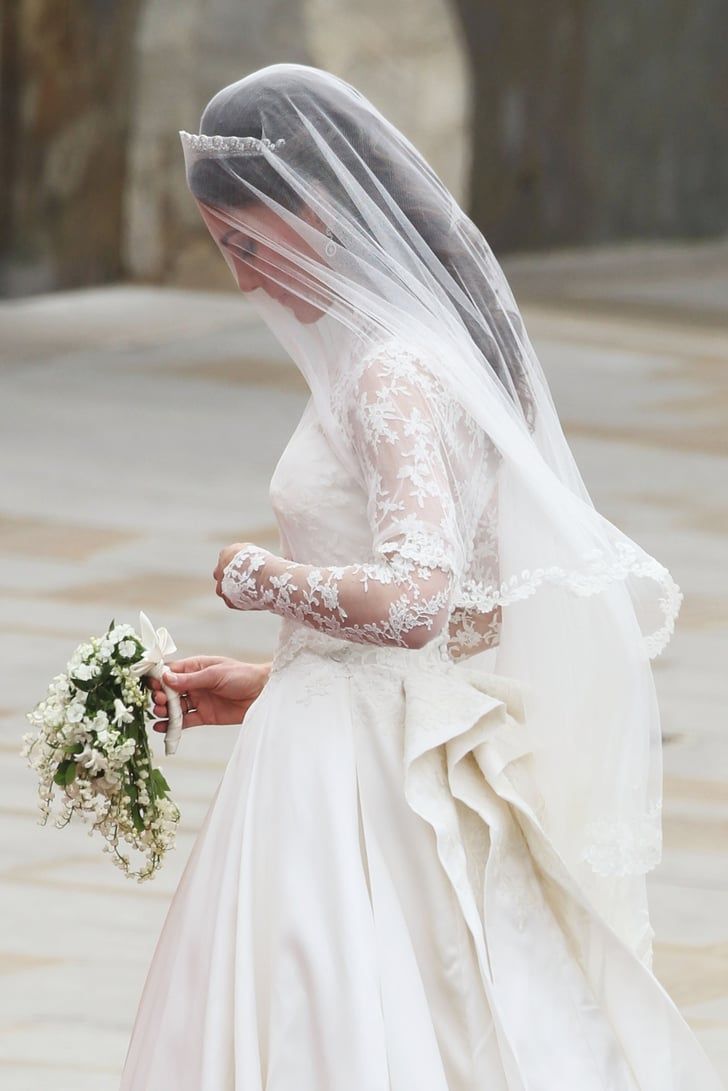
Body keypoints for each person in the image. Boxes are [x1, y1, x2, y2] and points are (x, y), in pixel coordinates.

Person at [120, 64, 725, 1090]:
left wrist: (257, 574)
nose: (242, 277)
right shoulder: (417, 354)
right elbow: (474, 619)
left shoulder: (390, 371)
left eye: (245, 243)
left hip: (350, 788)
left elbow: (417, 598)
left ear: (316, 207)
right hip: (354, 737)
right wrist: (272, 681)